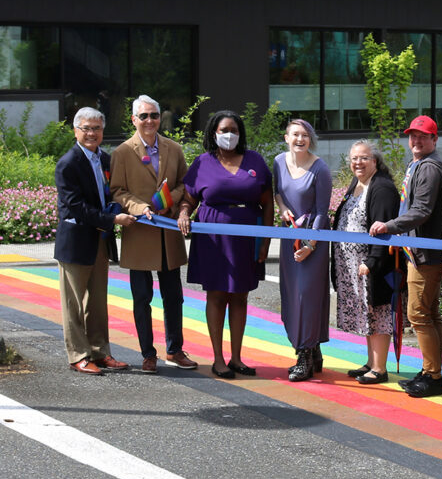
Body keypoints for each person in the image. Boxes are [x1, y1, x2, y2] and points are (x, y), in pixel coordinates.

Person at [179, 110, 274, 379]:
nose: (229, 134)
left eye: (234, 129)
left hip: (246, 236)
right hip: (213, 239)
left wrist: (265, 241)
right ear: (214, 133)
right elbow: (188, 199)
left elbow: (268, 204)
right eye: (223, 130)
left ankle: (236, 357)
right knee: (217, 295)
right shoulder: (202, 162)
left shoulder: (255, 160)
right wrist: (184, 213)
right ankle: (218, 359)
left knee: (241, 296)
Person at [109, 95, 196, 373]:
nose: (149, 121)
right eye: (143, 116)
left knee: (174, 297)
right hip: (140, 232)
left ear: (161, 118)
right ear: (134, 119)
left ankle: (175, 350)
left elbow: (185, 184)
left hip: (168, 232)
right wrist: (141, 206)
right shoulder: (122, 152)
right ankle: (148, 353)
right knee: (142, 298)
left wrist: (170, 201)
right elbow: (118, 191)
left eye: (154, 115)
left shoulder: (174, 148)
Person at [369, 115, 442, 398]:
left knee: (418, 314)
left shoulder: (429, 168)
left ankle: (433, 376)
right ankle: (431, 370)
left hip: (426, 254)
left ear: (434, 139)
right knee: (430, 313)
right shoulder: (418, 164)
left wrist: (389, 226)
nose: (415, 141)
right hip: (420, 252)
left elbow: (422, 211)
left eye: (422, 136)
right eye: (412, 135)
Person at [55, 107, 136, 374]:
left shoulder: (105, 159)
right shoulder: (68, 163)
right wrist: (112, 220)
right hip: (76, 240)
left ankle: (101, 352)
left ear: (103, 130)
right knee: (74, 303)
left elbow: (111, 194)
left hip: (101, 240)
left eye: (97, 128)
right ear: (76, 130)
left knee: (98, 301)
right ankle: (78, 355)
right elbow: (76, 206)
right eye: (86, 128)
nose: (92, 133)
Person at [334, 141, 400, 384]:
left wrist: (372, 262)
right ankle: (371, 362)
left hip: (371, 265)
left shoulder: (381, 187)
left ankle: (380, 368)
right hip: (351, 265)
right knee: (366, 314)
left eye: (363, 158)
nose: (357, 163)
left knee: (378, 312)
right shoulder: (357, 183)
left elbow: (383, 229)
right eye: (354, 159)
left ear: (375, 161)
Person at [273, 119, 332, 382]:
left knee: (307, 296)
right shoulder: (278, 162)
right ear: (286, 137)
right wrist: (282, 206)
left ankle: (304, 355)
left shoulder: (320, 169)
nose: (300, 139)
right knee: (291, 293)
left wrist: (311, 245)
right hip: (290, 236)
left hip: (313, 239)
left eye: (305, 135)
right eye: (295, 134)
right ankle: (314, 348)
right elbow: (277, 191)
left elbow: (322, 212)